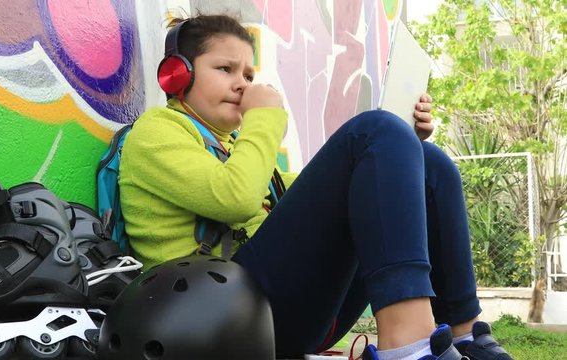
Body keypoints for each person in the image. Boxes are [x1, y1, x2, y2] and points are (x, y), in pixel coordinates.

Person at [118, 14, 512, 360]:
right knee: (374, 132)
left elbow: (322, 194)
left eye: (249, 75)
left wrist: (402, 149)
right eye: (225, 69)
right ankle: (408, 346)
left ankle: (464, 332)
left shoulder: (240, 147)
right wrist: (264, 119)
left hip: (282, 308)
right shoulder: (155, 132)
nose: (242, 85)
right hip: (214, 314)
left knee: (430, 162)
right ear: (177, 75)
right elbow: (234, 199)